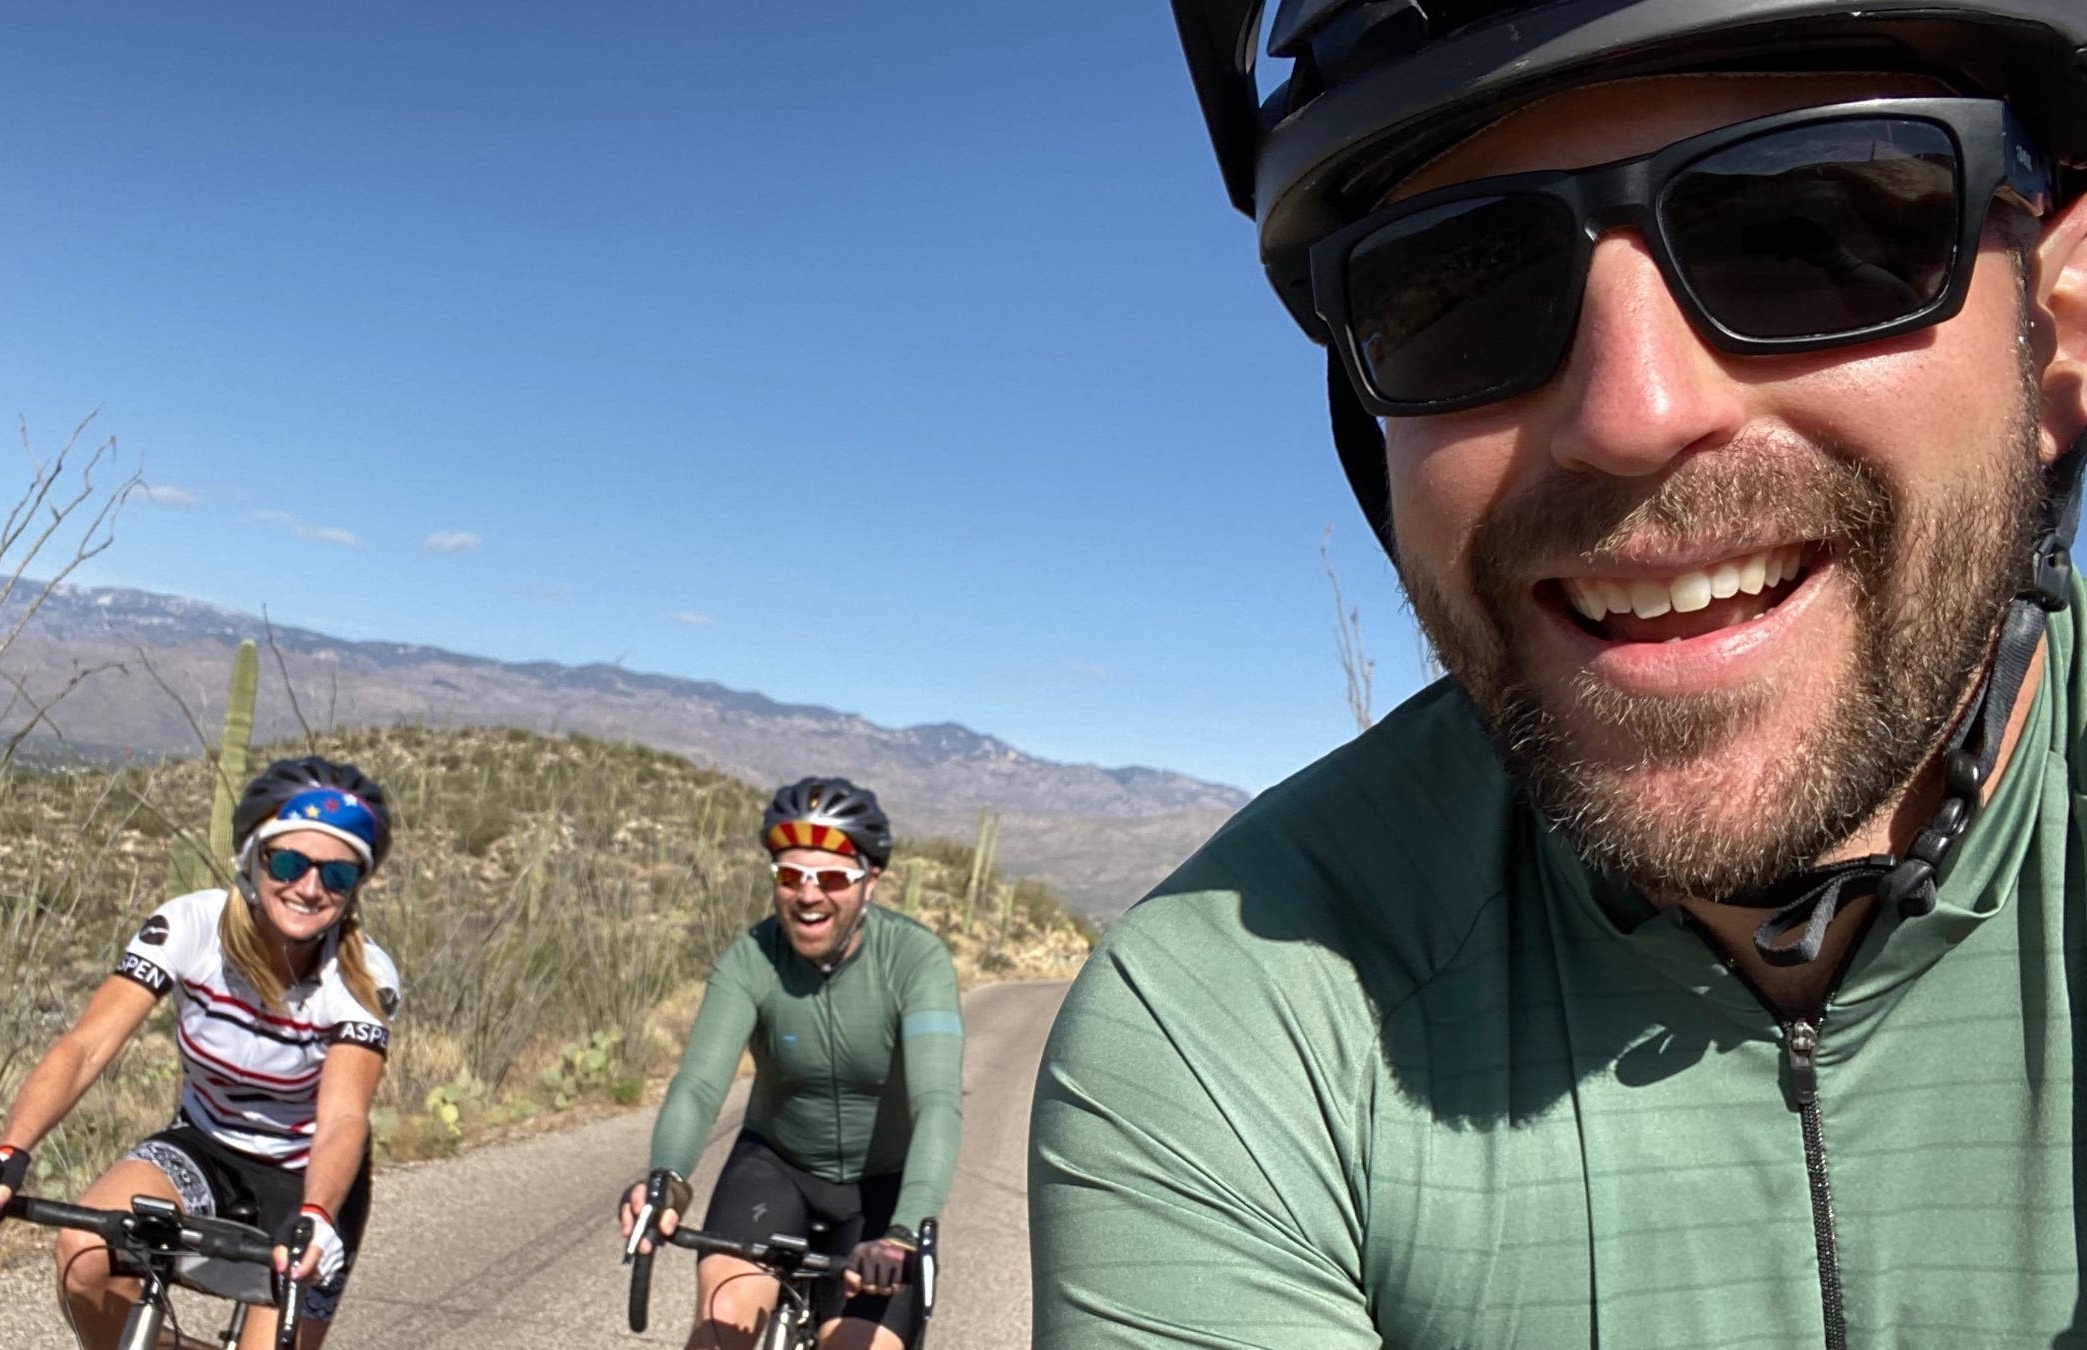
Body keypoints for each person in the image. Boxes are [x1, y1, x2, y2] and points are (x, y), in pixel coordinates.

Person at [1031, 1, 2087, 1346]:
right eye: (1463, 288)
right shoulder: (1235, 1022)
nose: (1631, 415)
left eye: (1805, 230)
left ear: (2056, 331)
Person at [0, 756, 402, 1349]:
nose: (310, 888)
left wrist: (316, 1212)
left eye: (337, 875)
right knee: (83, 1254)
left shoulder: (364, 977)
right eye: (289, 863)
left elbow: (342, 1115)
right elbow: (86, 1046)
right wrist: (11, 1149)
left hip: (309, 1177)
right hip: (204, 1147)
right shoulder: (188, 926)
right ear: (252, 859)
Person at [619, 776, 962, 1350]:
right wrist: (667, 1181)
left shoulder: (915, 960)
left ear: (871, 881)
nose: (808, 895)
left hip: (882, 1190)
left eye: (832, 878)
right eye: (790, 876)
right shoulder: (751, 958)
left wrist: (904, 1233)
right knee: (721, 1321)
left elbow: (937, 1105)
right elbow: (699, 1085)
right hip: (775, 1166)